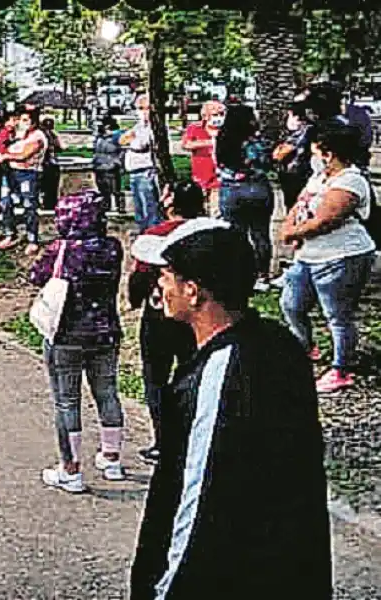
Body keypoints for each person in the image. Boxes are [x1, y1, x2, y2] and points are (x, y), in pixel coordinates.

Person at [129, 218, 332, 600]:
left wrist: (162, 589)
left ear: (194, 291)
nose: (161, 284)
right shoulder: (277, 343)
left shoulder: (222, 373)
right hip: (287, 567)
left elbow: (197, 498)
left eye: (169, 275)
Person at [29, 191, 126, 491]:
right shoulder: (113, 247)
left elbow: (36, 276)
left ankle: (70, 470)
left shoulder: (61, 250)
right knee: (107, 393)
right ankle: (111, 459)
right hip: (106, 332)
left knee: (67, 401)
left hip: (66, 335)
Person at [279, 123, 377, 393]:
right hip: (309, 255)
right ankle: (305, 348)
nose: (313, 157)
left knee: (337, 314)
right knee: (291, 303)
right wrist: (289, 227)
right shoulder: (319, 178)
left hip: (341, 255)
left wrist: (291, 233)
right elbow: (300, 203)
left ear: (329, 153)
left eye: (316, 151)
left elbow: (326, 219)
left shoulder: (351, 181)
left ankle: (341, 368)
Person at [127, 182, 201, 465]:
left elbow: (140, 277)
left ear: (170, 203)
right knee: (191, 372)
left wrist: (134, 299)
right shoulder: (208, 232)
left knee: (155, 378)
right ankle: (192, 436)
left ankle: (164, 441)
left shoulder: (155, 236)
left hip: (159, 315)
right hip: (197, 315)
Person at [215, 104, 274, 290]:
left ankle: (238, 274)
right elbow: (268, 162)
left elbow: (220, 162)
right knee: (261, 233)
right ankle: (262, 276)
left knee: (235, 234)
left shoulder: (223, 139)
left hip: (232, 189)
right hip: (258, 188)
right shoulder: (258, 141)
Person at [0, 106, 48, 255]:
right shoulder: (19, 135)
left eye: (25, 120)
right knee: (6, 202)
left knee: (29, 205)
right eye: (20, 119)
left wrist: (6, 156)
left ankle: (32, 239)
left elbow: (24, 155)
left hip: (29, 174)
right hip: (11, 173)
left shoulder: (37, 136)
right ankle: (9, 233)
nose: (21, 122)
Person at [120, 95, 161, 232]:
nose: (143, 112)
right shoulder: (138, 126)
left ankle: (152, 234)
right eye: (140, 108)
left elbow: (140, 144)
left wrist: (131, 140)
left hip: (146, 171)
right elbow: (121, 140)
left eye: (146, 108)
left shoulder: (152, 127)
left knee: (149, 208)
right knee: (139, 211)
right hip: (134, 171)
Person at [181, 100, 224, 215]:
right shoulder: (195, 128)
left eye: (221, 114)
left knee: (217, 211)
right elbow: (186, 144)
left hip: (219, 179)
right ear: (205, 116)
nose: (219, 117)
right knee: (199, 210)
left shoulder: (225, 130)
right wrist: (210, 142)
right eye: (215, 115)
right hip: (200, 177)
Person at [274, 102, 315, 211]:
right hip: (295, 174)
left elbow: (278, 155)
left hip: (298, 175)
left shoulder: (303, 131)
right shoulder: (297, 133)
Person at [92, 115, 125, 214]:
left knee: (115, 189)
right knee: (103, 190)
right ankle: (105, 207)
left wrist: (119, 164)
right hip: (99, 166)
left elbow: (122, 152)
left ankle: (120, 207)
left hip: (111, 166)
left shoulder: (117, 136)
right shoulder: (99, 137)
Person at [40, 116, 64, 211]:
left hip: (51, 163)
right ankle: (49, 203)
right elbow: (61, 147)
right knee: (49, 186)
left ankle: (50, 203)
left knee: (51, 186)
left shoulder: (52, 135)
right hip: (47, 163)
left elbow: (61, 147)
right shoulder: (44, 135)